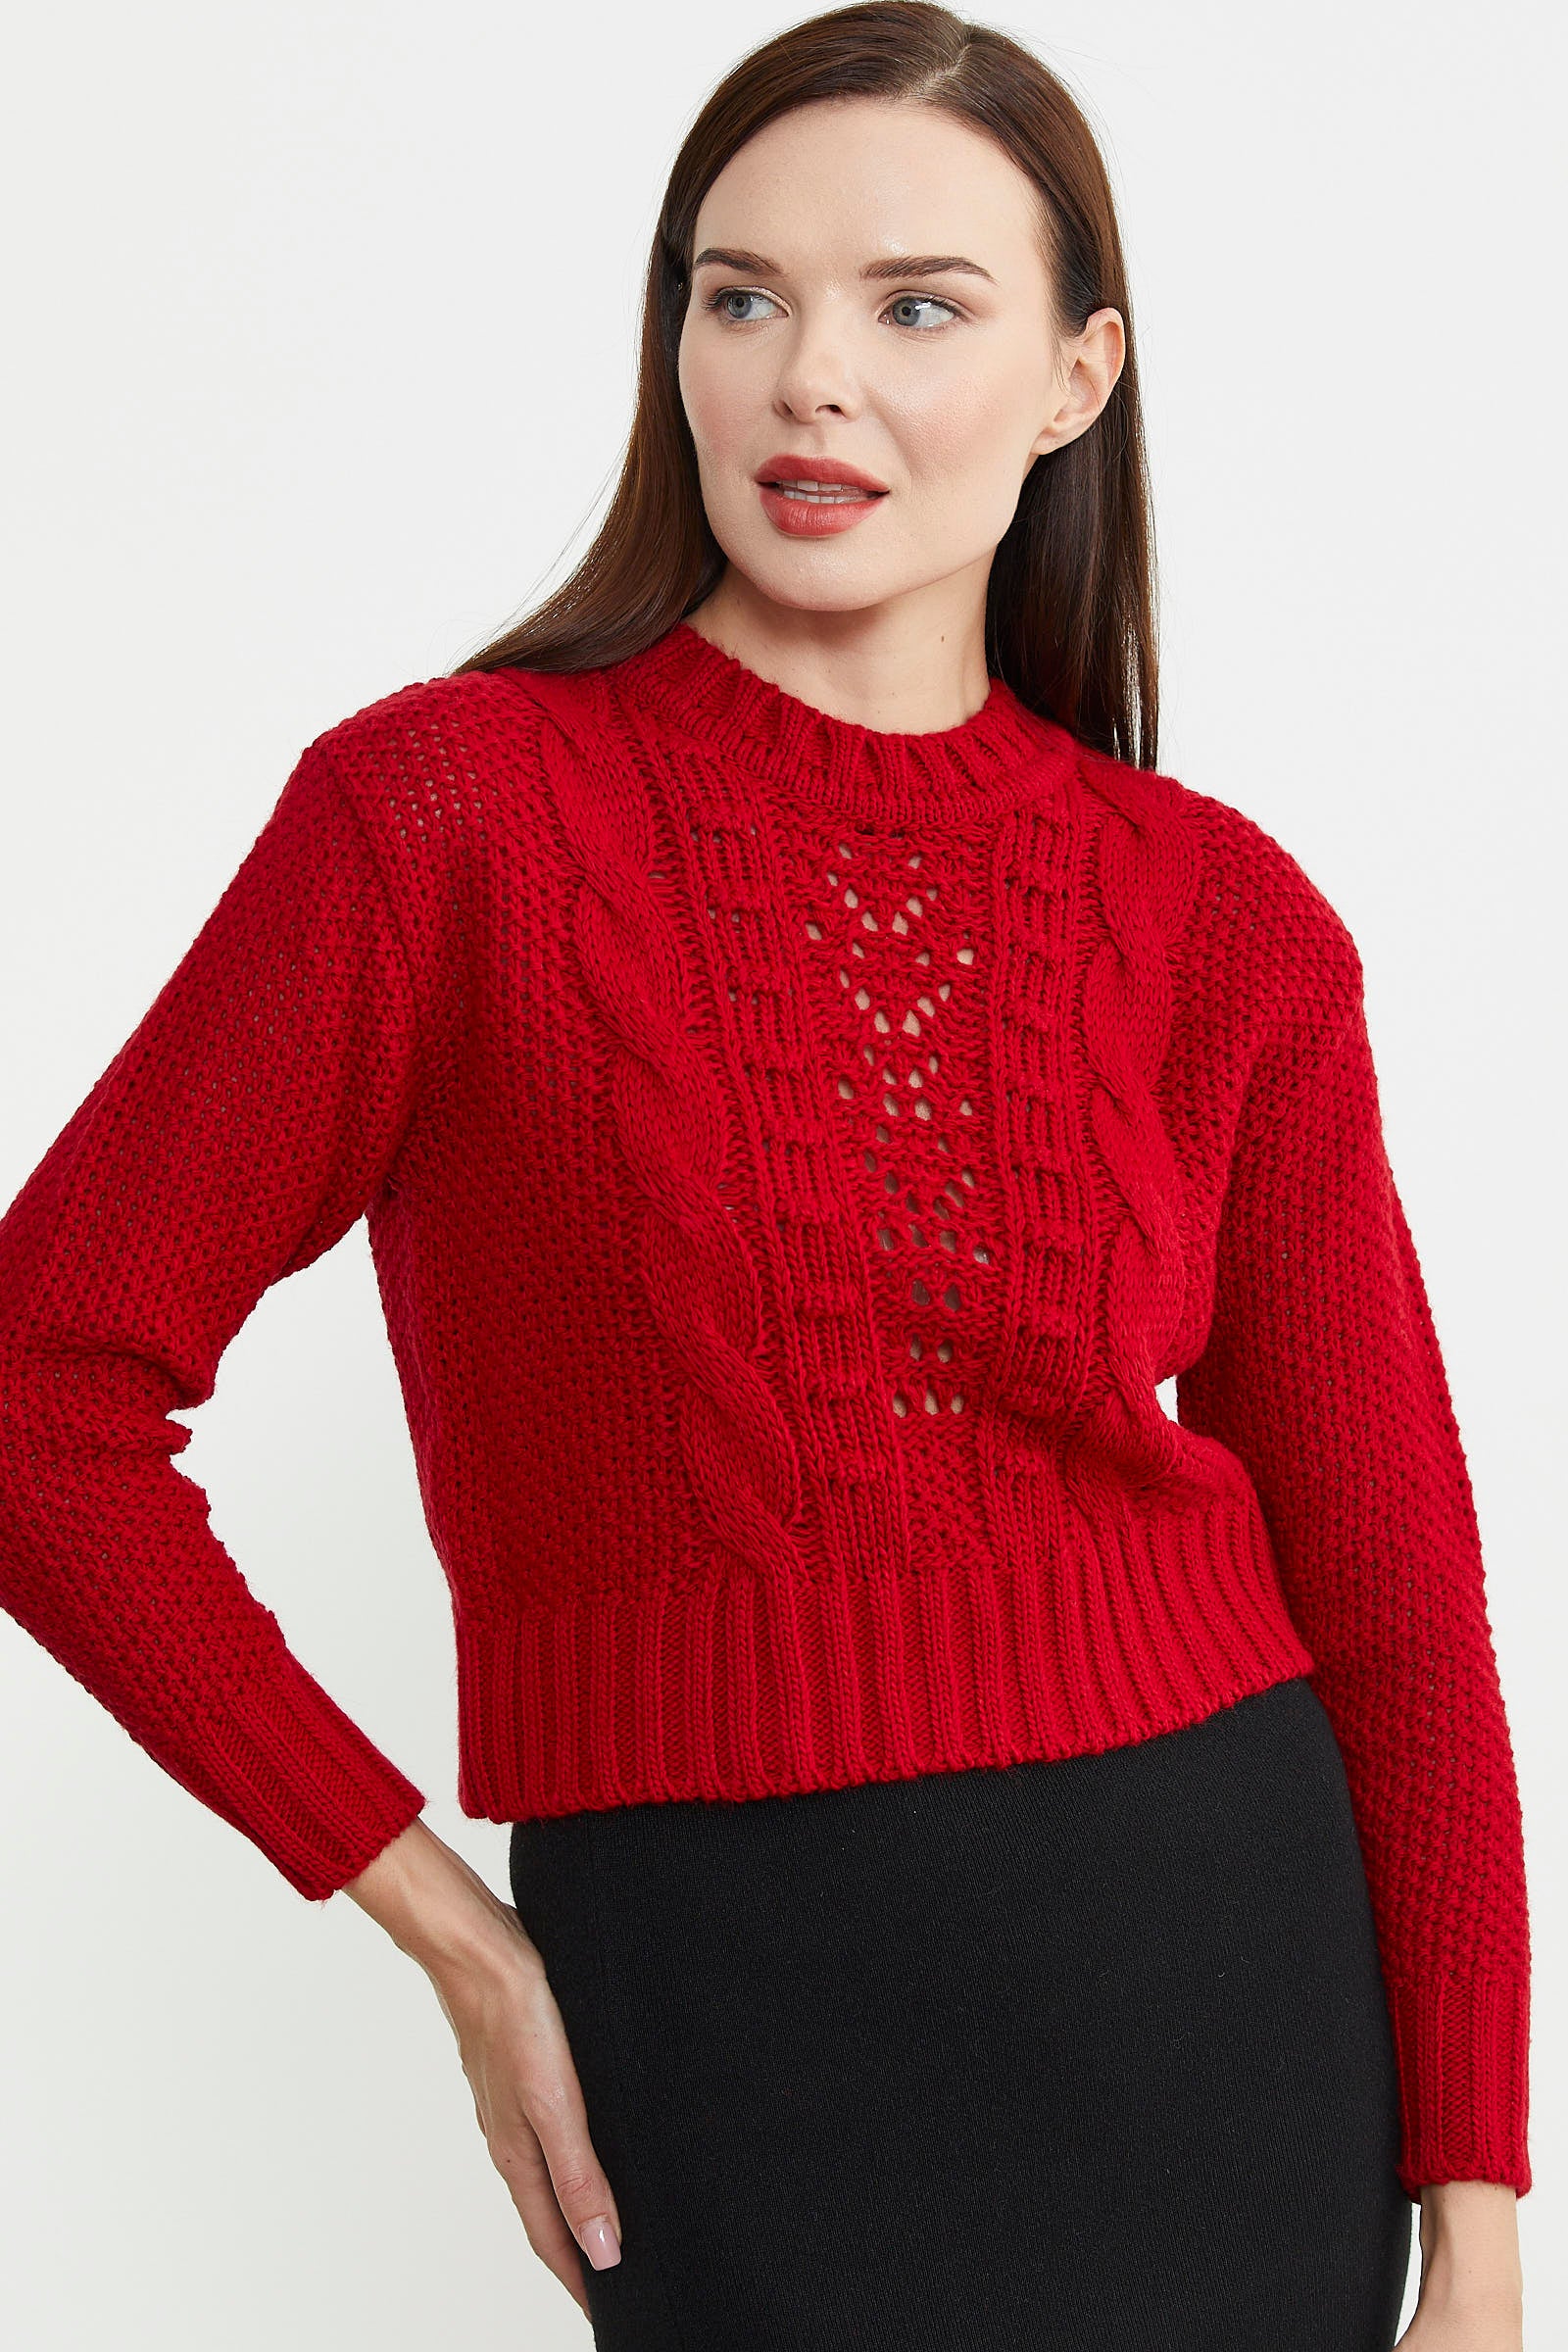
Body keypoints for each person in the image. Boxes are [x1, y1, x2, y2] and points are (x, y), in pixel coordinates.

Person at [0, 6, 1533, 2347]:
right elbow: (40, 1387)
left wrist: (1476, 2209)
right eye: (741, 296)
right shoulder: (444, 821)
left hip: (1222, 1992)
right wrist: (432, 1913)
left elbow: (1393, 1589)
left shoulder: (1218, 916)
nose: (809, 377)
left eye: (917, 307)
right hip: (720, 2021)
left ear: (1074, 378)